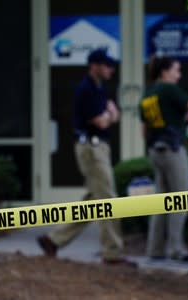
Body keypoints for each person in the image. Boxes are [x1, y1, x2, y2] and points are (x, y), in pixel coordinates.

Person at [37, 48, 130, 265]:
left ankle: (53, 240)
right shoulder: (85, 89)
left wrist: (110, 115)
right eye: (107, 65)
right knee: (108, 200)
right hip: (91, 148)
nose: (111, 70)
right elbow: (102, 120)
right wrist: (110, 115)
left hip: (99, 147)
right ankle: (112, 253)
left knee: (93, 201)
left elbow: (113, 115)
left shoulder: (99, 89)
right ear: (94, 65)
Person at [139, 55, 188, 262]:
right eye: (176, 70)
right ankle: (176, 249)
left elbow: (144, 131)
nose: (179, 75)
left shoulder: (148, 94)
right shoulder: (168, 89)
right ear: (164, 72)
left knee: (160, 201)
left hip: (155, 150)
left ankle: (155, 249)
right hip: (172, 149)